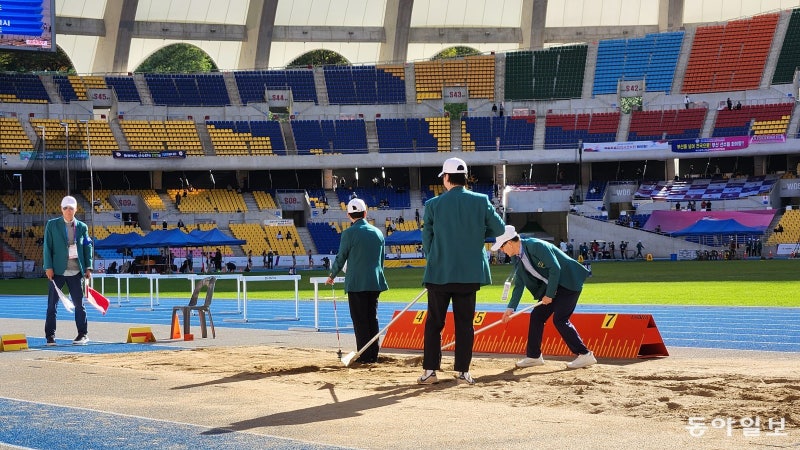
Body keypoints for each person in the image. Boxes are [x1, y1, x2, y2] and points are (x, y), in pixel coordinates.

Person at [418, 157, 506, 386]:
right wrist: (477, 229)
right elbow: (499, 229)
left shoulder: (433, 205)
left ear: (446, 178)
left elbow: (427, 240)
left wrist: (435, 257)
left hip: (439, 272)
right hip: (469, 273)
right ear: (465, 178)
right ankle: (463, 371)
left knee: (434, 323)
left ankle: (430, 371)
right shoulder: (481, 201)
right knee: (465, 324)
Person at [494, 225, 596, 370]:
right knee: (537, 316)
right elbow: (519, 284)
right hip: (552, 287)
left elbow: (555, 268)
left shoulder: (536, 246)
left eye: (501, 247)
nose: (501, 250)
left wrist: (549, 295)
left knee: (560, 319)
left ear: (509, 243)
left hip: (568, 282)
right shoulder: (516, 258)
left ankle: (585, 354)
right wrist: (510, 308)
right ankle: (534, 356)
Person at [326, 198, 389, 365]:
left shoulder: (348, 233)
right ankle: (373, 354)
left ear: (349, 215)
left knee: (360, 321)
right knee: (372, 318)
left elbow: (341, 257)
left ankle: (364, 355)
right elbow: (381, 261)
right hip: (374, 282)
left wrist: (332, 275)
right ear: (365, 213)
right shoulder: (378, 233)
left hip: (356, 283)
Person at [43, 196, 94, 346]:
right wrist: (48, 267)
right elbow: (47, 247)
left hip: (76, 271)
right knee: (52, 306)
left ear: (76, 209)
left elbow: (87, 246)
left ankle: (82, 334)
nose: (68, 211)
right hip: (57, 271)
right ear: (61, 209)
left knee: (79, 305)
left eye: (71, 208)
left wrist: (88, 267)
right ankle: (50, 336)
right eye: (65, 208)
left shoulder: (82, 227)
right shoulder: (52, 225)